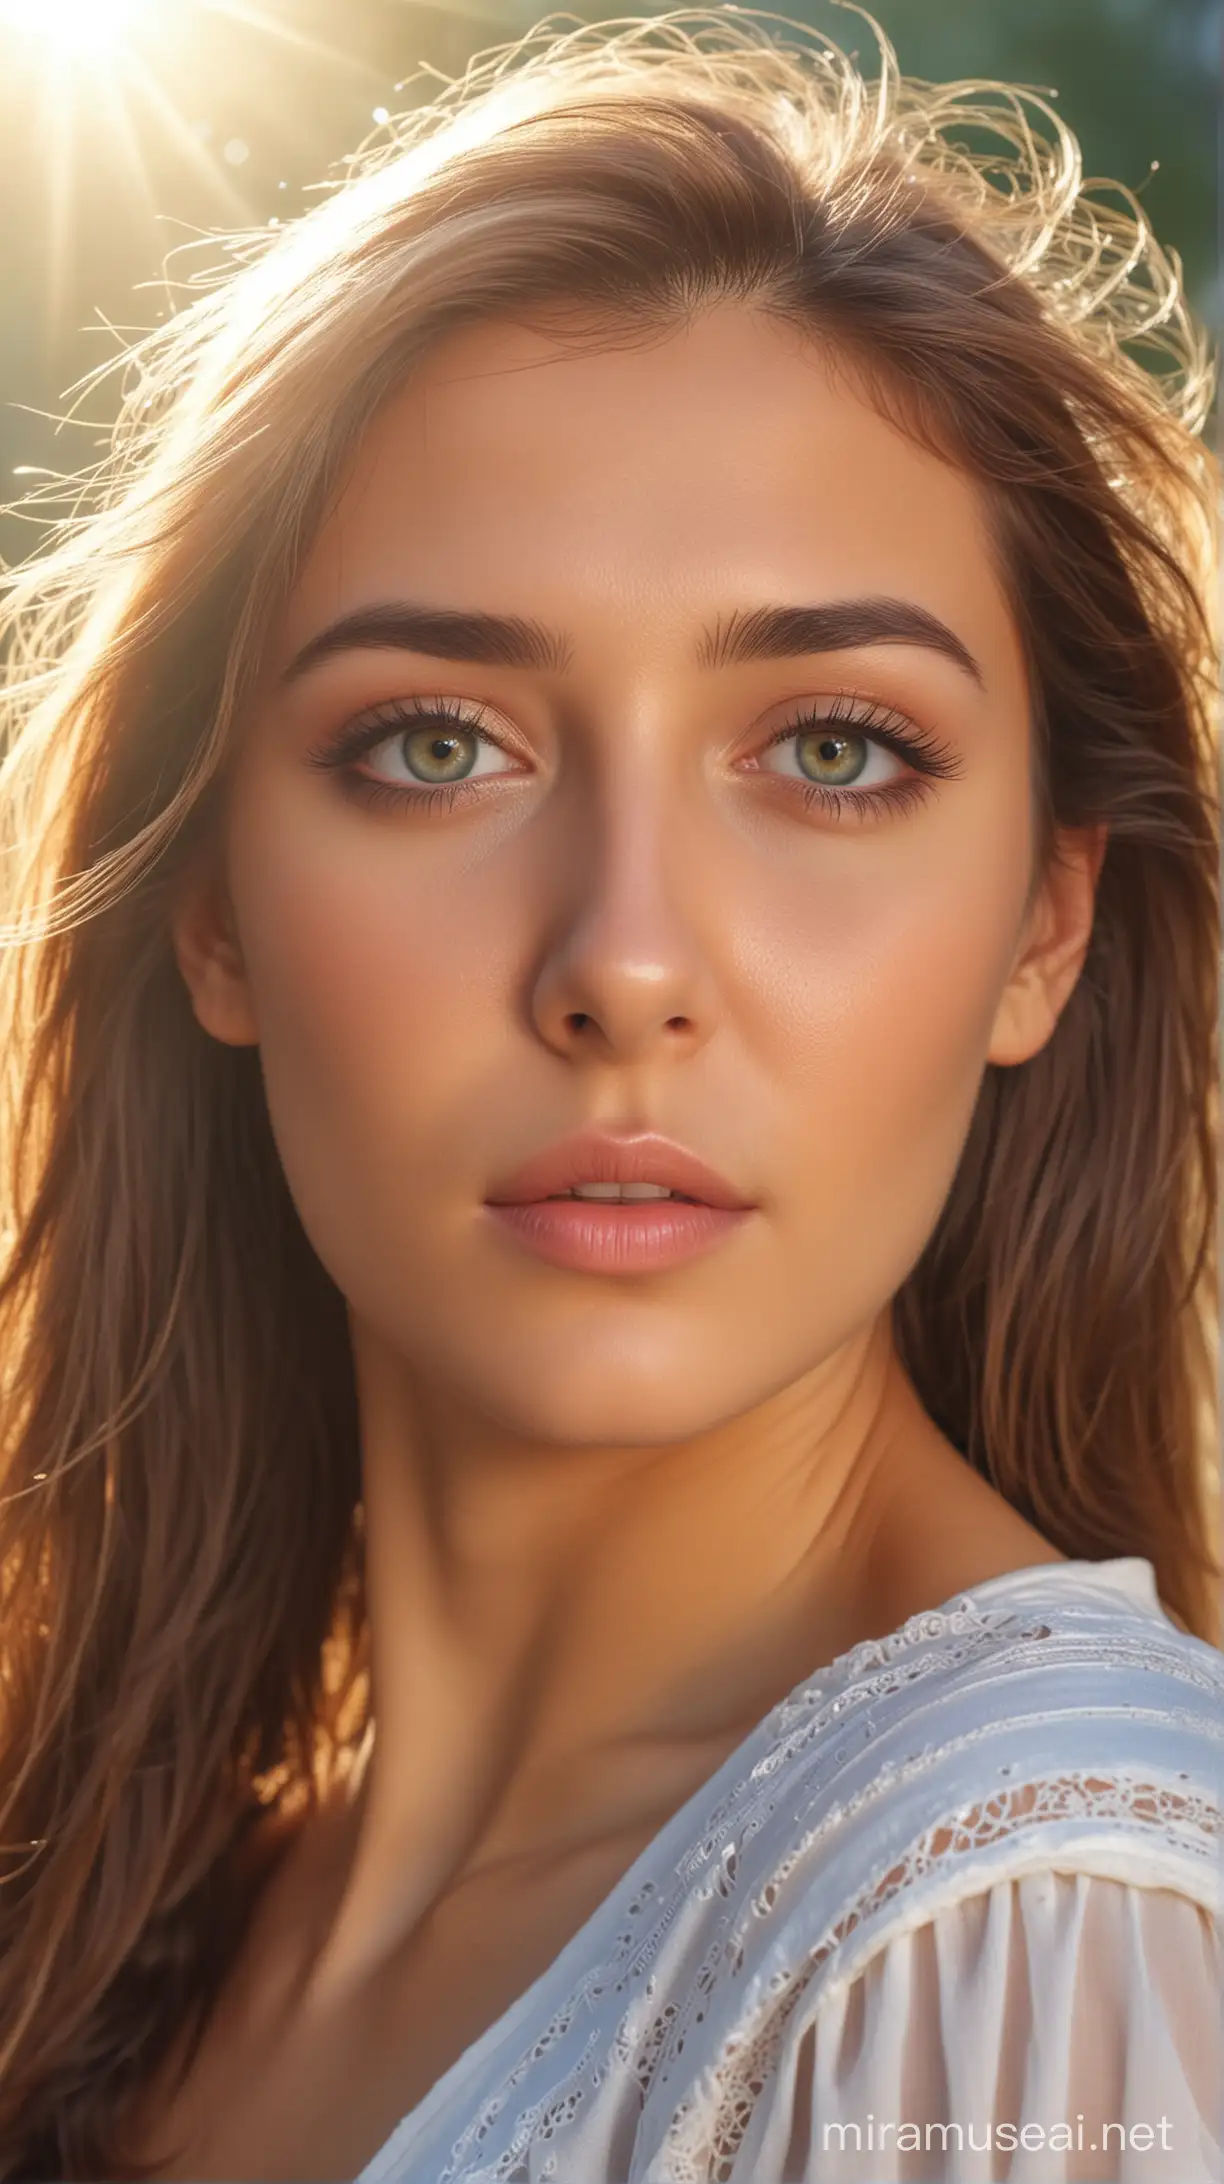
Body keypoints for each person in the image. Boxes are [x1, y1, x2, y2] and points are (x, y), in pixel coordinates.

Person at [0, 7, 1219, 2179]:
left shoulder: (1038, 1929)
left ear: (1048, 930)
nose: (626, 961)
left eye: (833, 751)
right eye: (439, 744)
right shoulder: (128, 1922)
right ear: (211, 917)